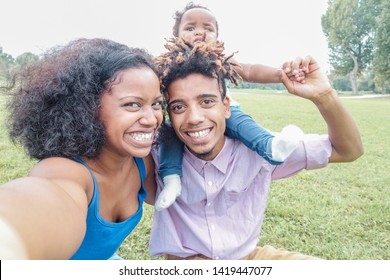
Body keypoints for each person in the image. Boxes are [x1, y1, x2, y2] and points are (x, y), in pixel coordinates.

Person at [149, 37, 363, 260]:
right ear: (169, 115)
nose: (194, 118)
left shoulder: (263, 151)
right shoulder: (156, 154)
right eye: (179, 106)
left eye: (206, 102)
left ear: (226, 107)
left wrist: (324, 96)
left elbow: (348, 150)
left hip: (250, 260)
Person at [0, 38, 163, 259]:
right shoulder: (64, 172)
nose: (151, 119)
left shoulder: (142, 161)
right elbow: (36, 207)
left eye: (156, 104)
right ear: (87, 108)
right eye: (132, 104)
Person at [156, 2, 308, 211]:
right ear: (176, 37)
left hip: (224, 110)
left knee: (243, 124)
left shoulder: (220, 58)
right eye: (190, 28)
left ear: (218, 36)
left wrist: (280, 75)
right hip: (181, 112)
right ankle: (171, 179)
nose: (200, 33)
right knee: (168, 133)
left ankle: (272, 147)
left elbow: (251, 70)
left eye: (208, 29)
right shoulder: (170, 62)